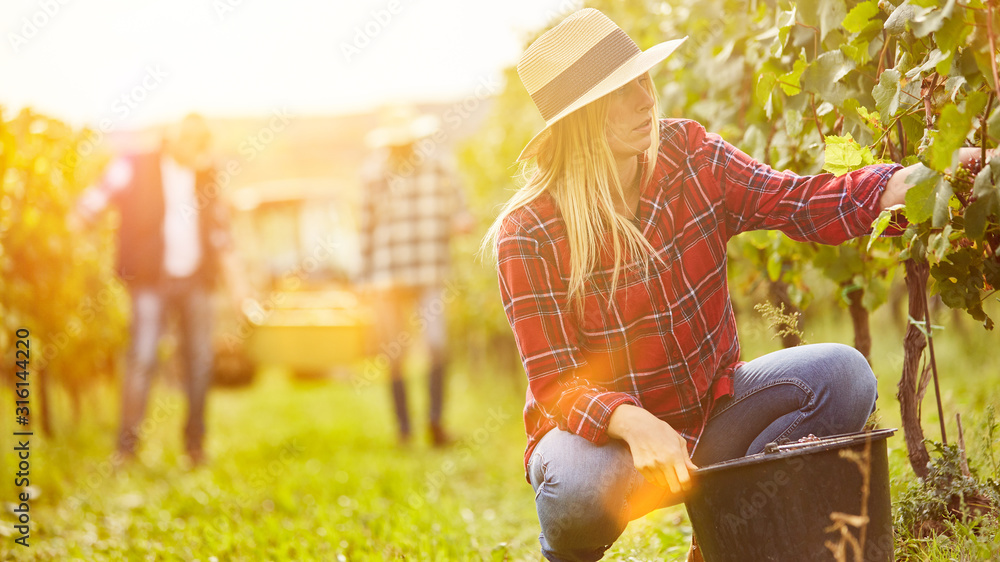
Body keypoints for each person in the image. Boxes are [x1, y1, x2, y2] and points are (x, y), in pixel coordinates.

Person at [482, 9, 989, 562]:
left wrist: (904, 184)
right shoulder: (527, 230)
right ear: (579, 119)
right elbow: (556, 381)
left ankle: (724, 533)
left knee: (844, 377)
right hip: (610, 446)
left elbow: (795, 201)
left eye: (643, 80)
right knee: (572, 487)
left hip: (713, 415)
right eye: (620, 92)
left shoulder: (690, 155)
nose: (646, 100)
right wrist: (633, 423)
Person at [76, 113, 247, 465]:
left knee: (199, 360)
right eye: (192, 143)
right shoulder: (137, 163)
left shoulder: (205, 174)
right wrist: (77, 220)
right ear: (174, 137)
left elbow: (221, 233)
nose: (197, 152)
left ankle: (195, 446)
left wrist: (240, 290)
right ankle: (126, 449)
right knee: (142, 357)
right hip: (150, 278)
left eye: (202, 146)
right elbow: (101, 193)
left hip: (194, 278)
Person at [358, 106, 473, 447]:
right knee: (394, 354)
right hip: (387, 274)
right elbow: (365, 228)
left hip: (429, 270)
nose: (400, 149)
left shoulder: (439, 167)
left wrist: (462, 220)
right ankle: (404, 430)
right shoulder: (372, 174)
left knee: (436, 346)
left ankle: (435, 424)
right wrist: (362, 276)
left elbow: (460, 206)